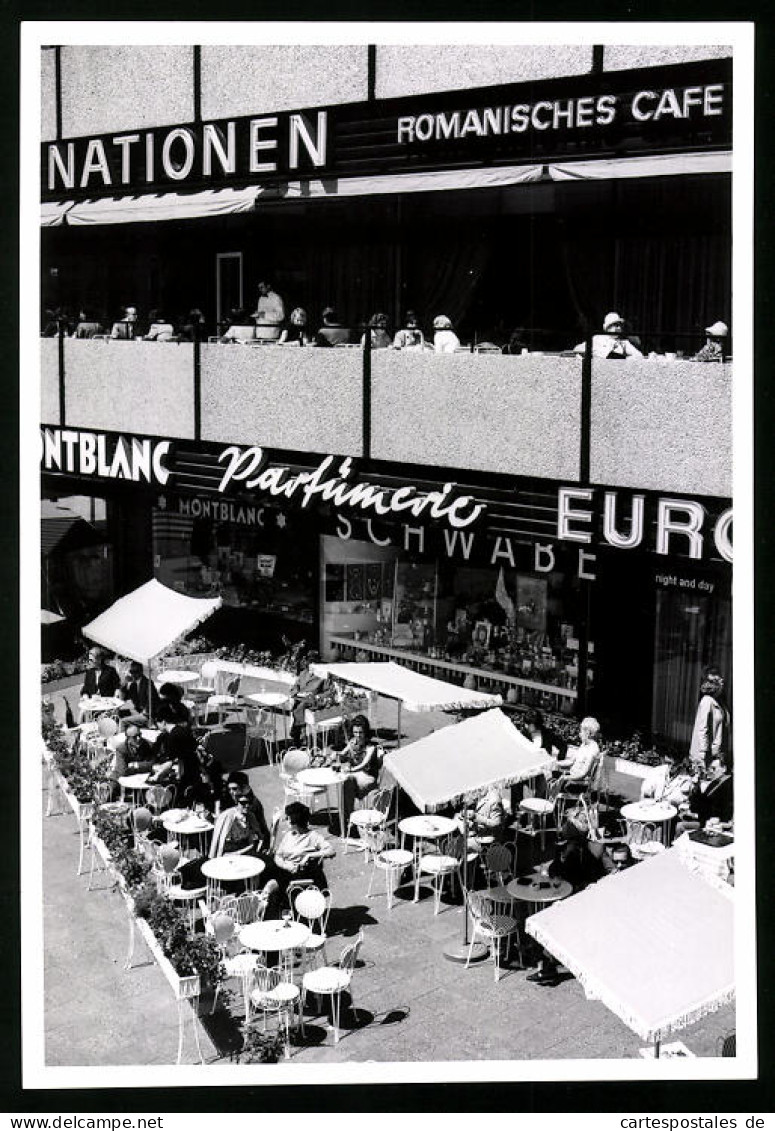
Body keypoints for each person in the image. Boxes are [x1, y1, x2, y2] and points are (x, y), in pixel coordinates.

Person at [527, 820, 607, 986]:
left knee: (550, 921)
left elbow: (562, 872)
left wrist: (556, 866)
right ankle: (547, 959)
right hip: (572, 894)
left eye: (566, 836)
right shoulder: (575, 849)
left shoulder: (580, 853)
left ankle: (547, 967)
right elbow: (555, 870)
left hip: (577, 898)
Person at [260, 801, 335, 907]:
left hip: (300, 873)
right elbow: (278, 855)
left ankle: (263, 907)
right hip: (286, 868)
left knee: (271, 884)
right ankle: (263, 905)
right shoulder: (289, 835)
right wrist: (286, 865)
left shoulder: (313, 837)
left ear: (294, 821)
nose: (285, 821)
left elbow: (331, 851)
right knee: (265, 870)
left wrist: (309, 855)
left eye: (287, 818)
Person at [337, 714, 383, 820]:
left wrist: (350, 770)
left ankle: (347, 817)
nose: (357, 735)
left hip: (368, 777)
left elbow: (364, 764)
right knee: (347, 781)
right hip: (356, 775)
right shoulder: (353, 742)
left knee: (348, 781)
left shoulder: (371, 746)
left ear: (365, 732)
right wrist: (335, 755)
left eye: (360, 732)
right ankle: (347, 815)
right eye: (355, 732)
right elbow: (342, 754)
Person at [674, 758, 733, 836]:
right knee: (677, 817)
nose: (711, 771)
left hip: (713, 825)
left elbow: (719, 811)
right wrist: (697, 786)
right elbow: (702, 800)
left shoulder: (729, 786)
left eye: (714, 768)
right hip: (704, 817)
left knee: (679, 826)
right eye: (710, 768)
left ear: (724, 769)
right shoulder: (716, 782)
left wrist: (694, 814)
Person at [209, 784, 270, 857]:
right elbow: (221, 849)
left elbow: (259, 837)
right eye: (243, 803)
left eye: (249, 803)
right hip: (229, 856)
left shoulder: (251, 816)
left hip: (247, 853)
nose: (247, 806)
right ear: (236, 802)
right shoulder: (227, 817)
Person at [689, 669, 731, 771]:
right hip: (706, 756)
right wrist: (703, 754)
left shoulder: (720, 703)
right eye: (720, 682)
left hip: (717, 754)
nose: (722, 684)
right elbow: (702, 729)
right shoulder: (707, 701)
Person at [289, 650, 327, 744]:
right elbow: (295, 686)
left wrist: (316, 696)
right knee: (297, 703)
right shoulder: (303, 673)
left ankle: (298, 731)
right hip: (300, 697)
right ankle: (299, 731)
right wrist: (296, 692)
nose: (311, 665)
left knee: (300, 705)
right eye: (310, 662)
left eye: (314, 663)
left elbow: (328, 692)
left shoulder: (322, 676)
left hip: (312, 700)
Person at [573, 312, 643, 359]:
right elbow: (577, 349)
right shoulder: (598, 339)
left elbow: (639, 356)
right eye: (615, 325)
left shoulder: (623, 343)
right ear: (608, 327)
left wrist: (625, 360)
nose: (618, 328)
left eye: (619, 325)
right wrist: (600, 352)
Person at [554, 716, 601, 786]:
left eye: (581, 731)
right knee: (549, 773)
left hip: (578, 782)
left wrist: (565, 777)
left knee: (548, 779)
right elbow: (571, 761)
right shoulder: (584, 745)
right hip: (572, 777)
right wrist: (555, 763)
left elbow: (583, 774)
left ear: (587, 732)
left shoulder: (593, 749)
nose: (579, 734)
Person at [118, 660, 160, 725]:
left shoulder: (147, 683)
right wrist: (124, 685)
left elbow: (151, 700)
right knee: (119, 713)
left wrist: (144, 713)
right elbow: (123, 699)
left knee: (122, 722)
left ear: (141, 672)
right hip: (137, 710)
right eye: (131, 672)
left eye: (135, 672)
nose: (133, 675)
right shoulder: (133, 685)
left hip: (147, 714)